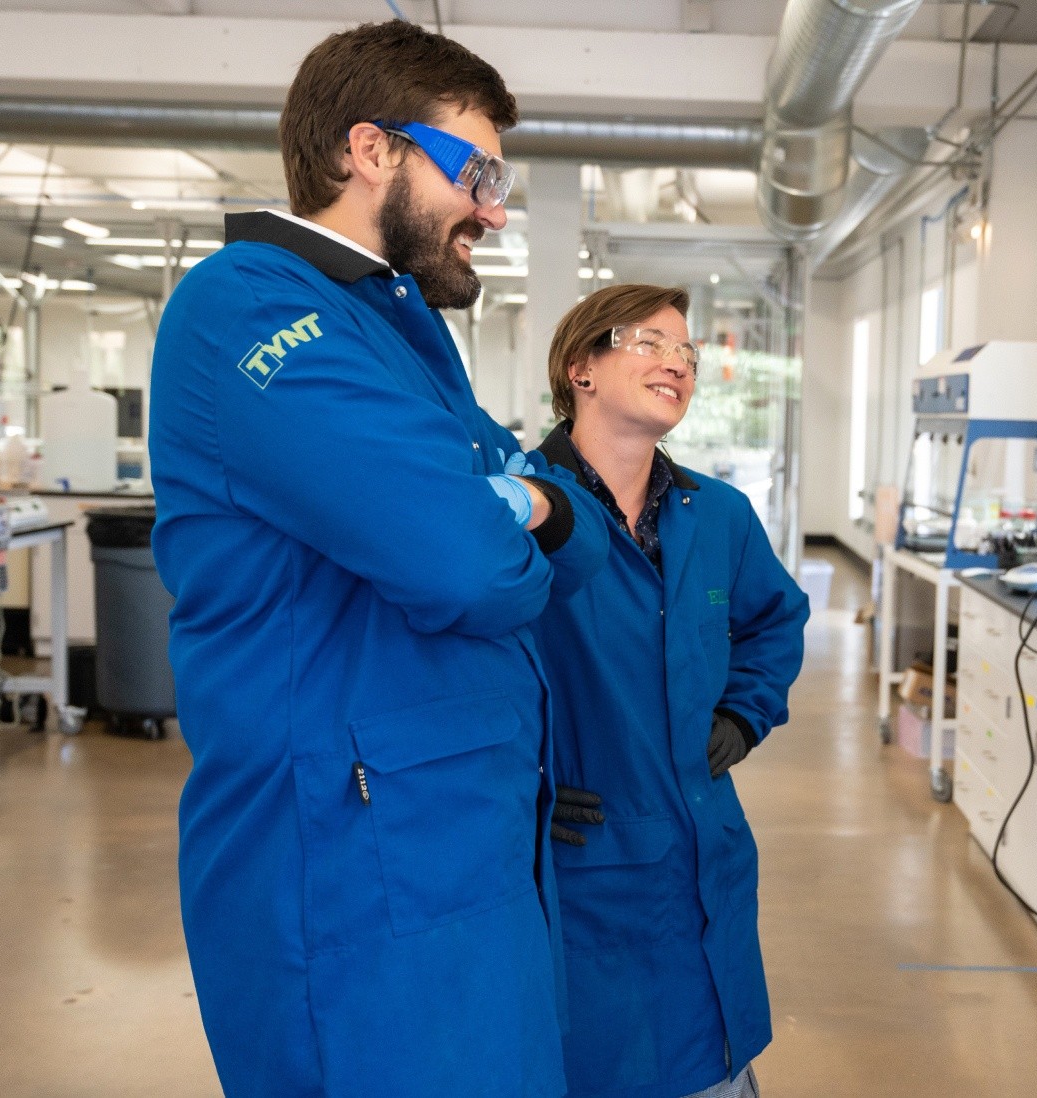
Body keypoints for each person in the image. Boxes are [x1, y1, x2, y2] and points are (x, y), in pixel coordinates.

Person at [148, 22, 608, 1097]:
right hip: (349, 855)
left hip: (452, 829)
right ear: (369, 149)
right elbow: (470, 564)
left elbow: (568, 536)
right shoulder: (252, 307)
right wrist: (517, 512)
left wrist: (530, 506)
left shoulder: (396, 328)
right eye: (474, 171)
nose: (492, 209)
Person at [531, 284, 809, 1098]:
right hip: (577, 854)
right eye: (649, 342)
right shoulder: (528, 508)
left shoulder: (715, 515)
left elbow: (777, 619)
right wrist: (529, 789)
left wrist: (745, 712)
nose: (677, 364)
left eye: (686, 353)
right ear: (581, 367)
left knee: (709, 1061)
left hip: (703, 841)